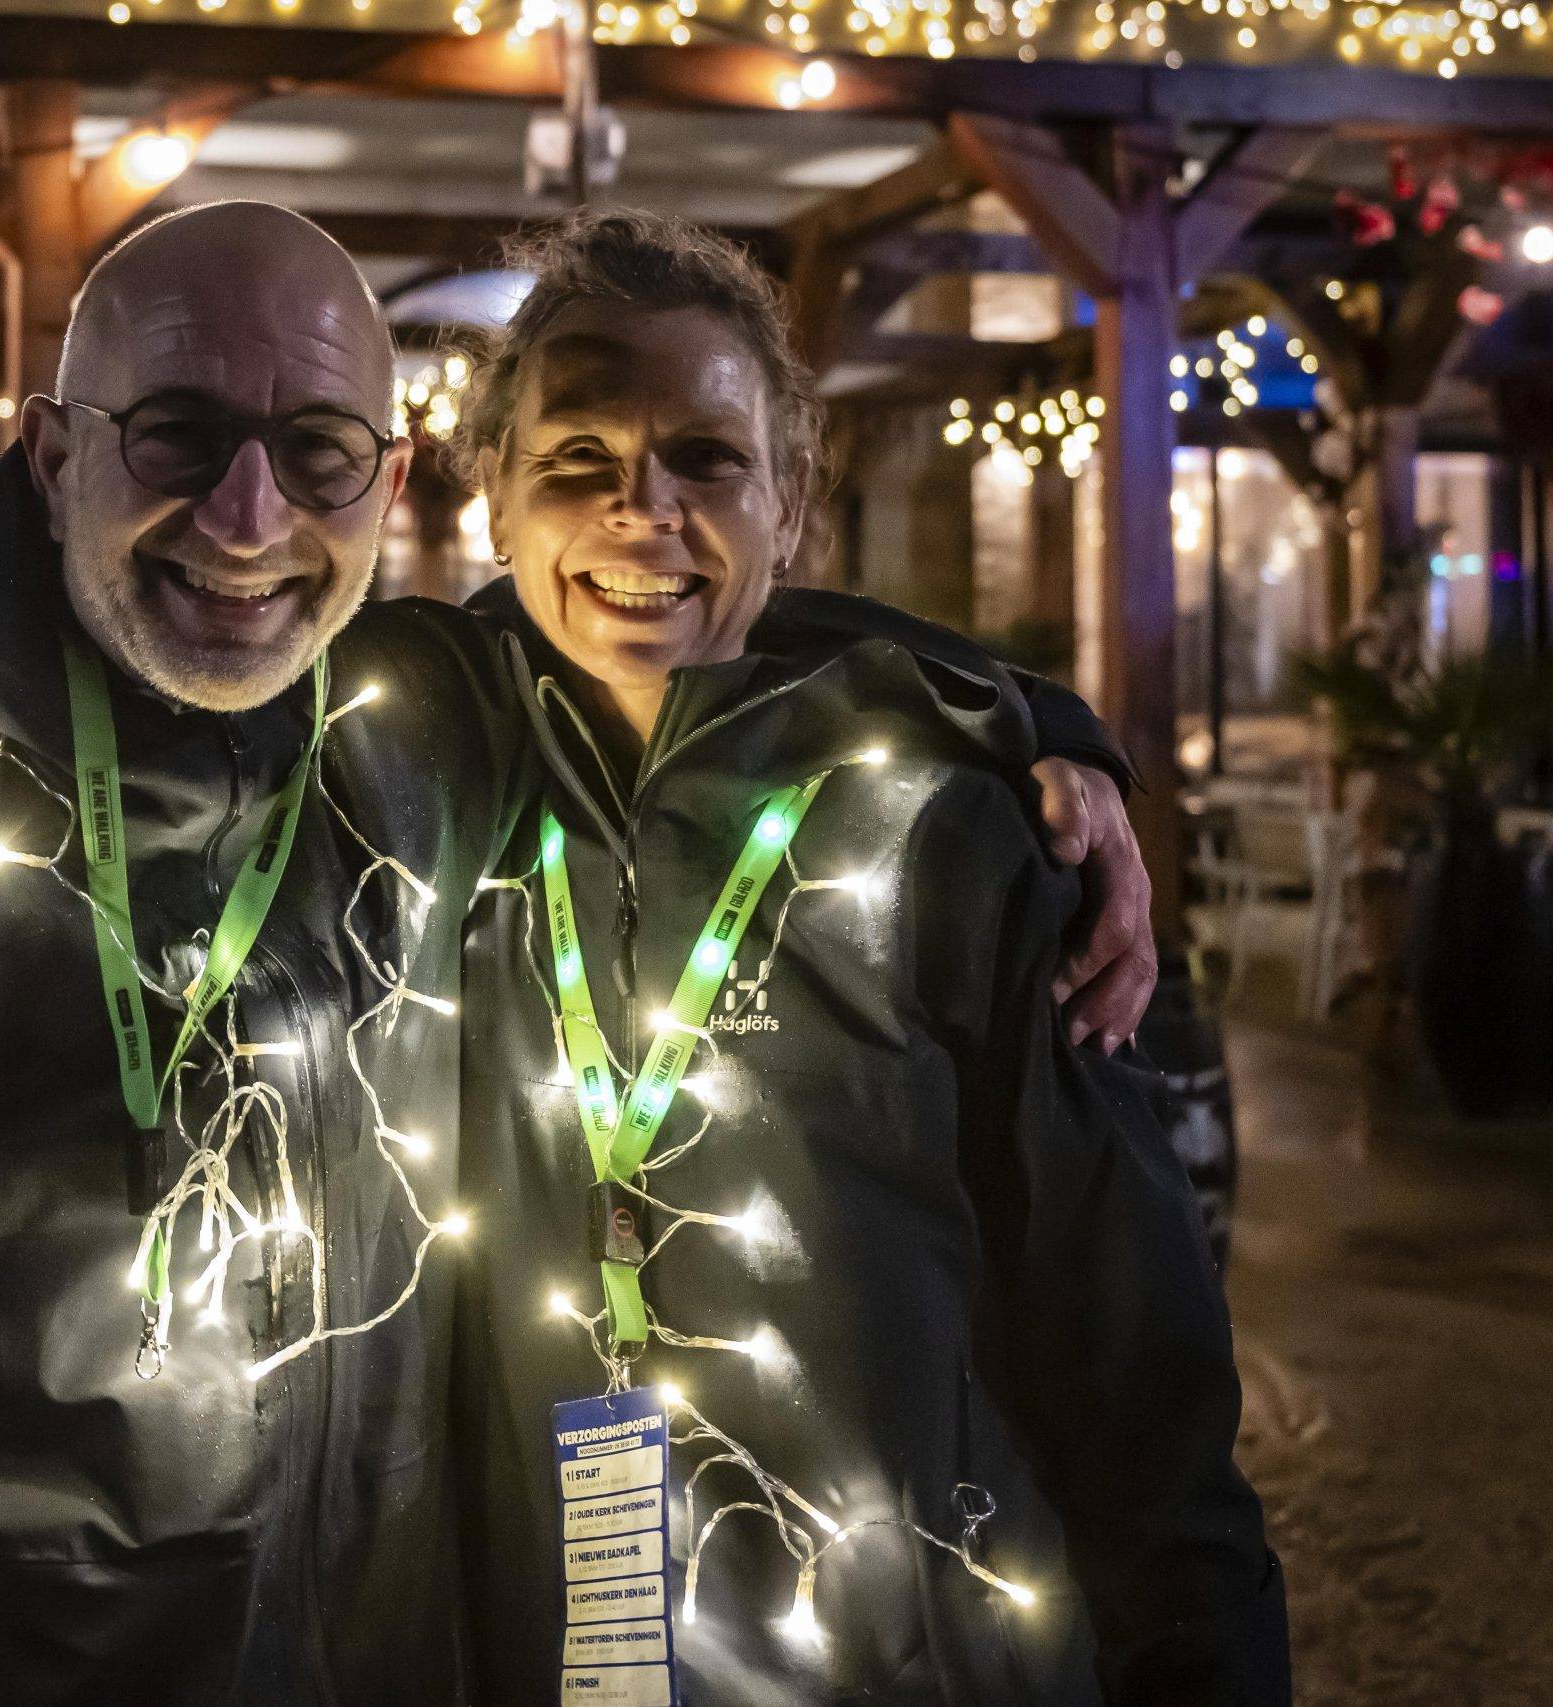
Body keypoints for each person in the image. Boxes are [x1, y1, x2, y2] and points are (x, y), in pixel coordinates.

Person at [0, 200, 1149, 1706]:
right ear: (53, 458)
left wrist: (1034, 728)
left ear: (391, 484)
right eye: (178, 434)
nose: (248, 514)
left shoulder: (423, 737)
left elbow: (694, 617)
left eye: (318, 449)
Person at [444, 209, 1286, 1705]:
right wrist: (1015, 701)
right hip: (558, 1650)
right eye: (576, 458)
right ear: (493, 498)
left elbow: (1133, 1346)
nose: (641, 509)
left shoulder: (954, 838)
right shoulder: (422, 792)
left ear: (791, 506)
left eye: (706, 459)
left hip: (919, 1660)